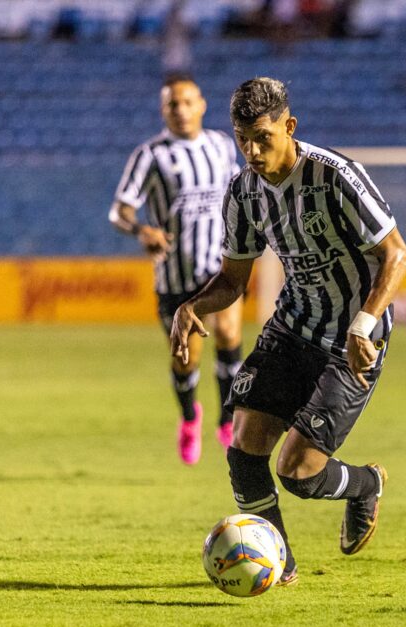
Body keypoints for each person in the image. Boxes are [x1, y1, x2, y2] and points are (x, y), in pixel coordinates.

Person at [170, 77, 406, 585]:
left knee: (298, 473)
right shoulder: (243, 193)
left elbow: (396, 255)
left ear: (289, 126)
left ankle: (365, 484)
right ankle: (279, 569)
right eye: (243, 139)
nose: (253, 151)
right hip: (291, 328)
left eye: (263, 137)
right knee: (244, 450)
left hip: (352, 342)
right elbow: (234, 280)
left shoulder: (335, 176)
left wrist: (364, 325)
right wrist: (191, 307)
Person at [110, 74, 244, 466]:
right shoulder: (150, 155)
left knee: (230, 332)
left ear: (202, 104)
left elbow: (238, 193)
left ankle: (226, 417)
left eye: (187, 102)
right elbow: (119, 210)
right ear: (163, 111)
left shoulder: (221, 147)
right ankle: (189, 417)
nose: (181, 111)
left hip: (219, 267)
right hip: (174, 277)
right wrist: (141, 229)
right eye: (173, 105)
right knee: (187, 358)